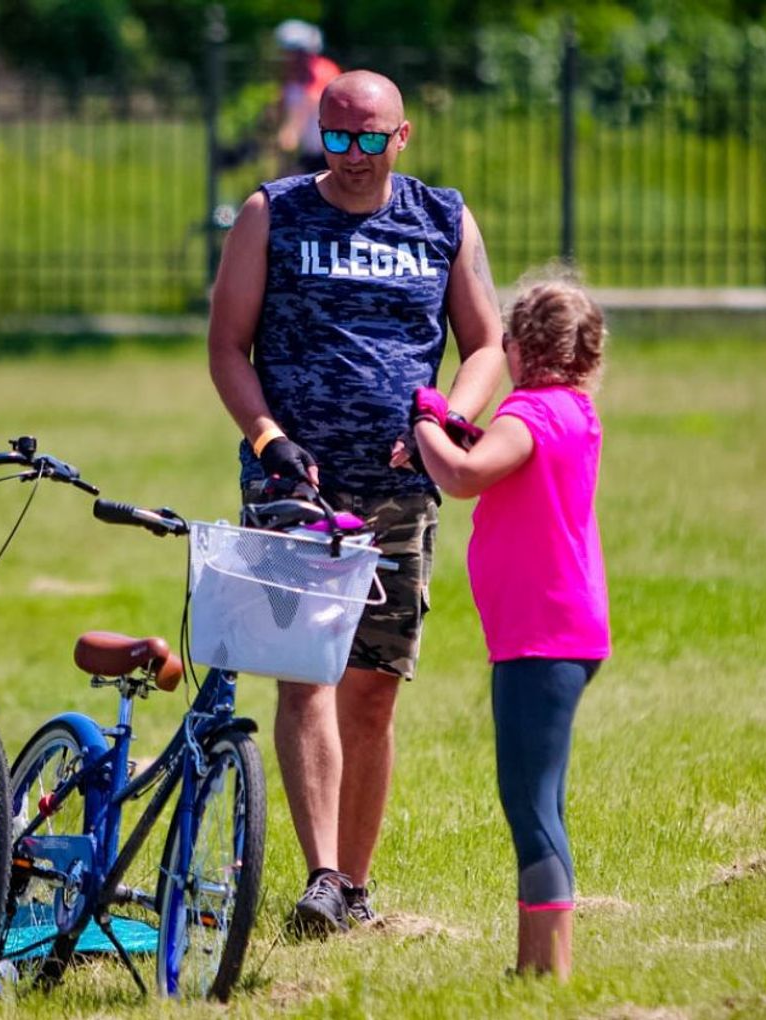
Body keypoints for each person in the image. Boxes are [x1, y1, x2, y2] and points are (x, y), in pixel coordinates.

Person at [207, 69, 505, 936]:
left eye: (371, 139)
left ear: (401, 136)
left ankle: (355, 888)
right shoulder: (273, 213)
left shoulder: (441, 218)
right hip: (295, 485)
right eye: (336, 138)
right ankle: (321, 878)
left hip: (400, 488)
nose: (352, 156)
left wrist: (443, 420)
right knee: (305, 677)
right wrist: (269, 438)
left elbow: (486, 345)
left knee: (373, 691)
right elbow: (227, 346)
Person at [411, 269, 611, 978]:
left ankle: (546, 971)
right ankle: (536, 965)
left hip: (539, 636)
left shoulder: (528, 415)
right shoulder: (573, 411)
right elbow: (502, 461)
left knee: (529, 805)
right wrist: (463, 434)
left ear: (519, 349)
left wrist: (427, 420)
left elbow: (463, 477)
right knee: (540, 797)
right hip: (565, 629)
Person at [272, 19, 341, 177]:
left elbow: (308, 102)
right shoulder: (293, 75)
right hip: (308, 153)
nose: (288, 59)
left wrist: (290, 132)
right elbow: (283, 102)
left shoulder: (323, 70)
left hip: (330, 154)